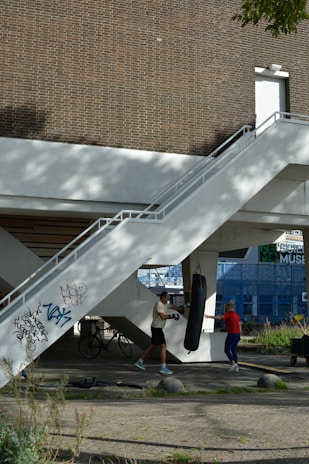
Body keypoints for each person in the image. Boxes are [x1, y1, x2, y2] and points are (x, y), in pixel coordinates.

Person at [134, 291, 183, 375]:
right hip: (157, 328)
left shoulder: (165, 305)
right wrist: (172, 316)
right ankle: (163, 367)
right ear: (163, 297)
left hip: (157, 328)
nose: (169, 298)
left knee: (153, 346)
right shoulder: (159, 304)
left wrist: (185, 306)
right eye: (167, 297)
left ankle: (139, 361)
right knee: (163, 347)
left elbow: (175, 308)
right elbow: (162, 317)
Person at [205, 301, 241, 372]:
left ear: (229, 308)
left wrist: (209, 316)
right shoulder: (237, 315)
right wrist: (240, 333)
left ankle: (233, 363)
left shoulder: (228, 314)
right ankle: (236, 366)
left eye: (226, 308)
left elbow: (220, 318)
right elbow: (239, 324)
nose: (225, 309)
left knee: (227, 350)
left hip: (231, 334)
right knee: (234, 350)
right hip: (237, 334)